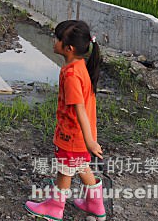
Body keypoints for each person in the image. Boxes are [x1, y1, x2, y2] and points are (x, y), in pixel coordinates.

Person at [25, 20, 105, 220]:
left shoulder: (70, 74)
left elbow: (79, 109)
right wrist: (88, 139)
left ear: (68, 48)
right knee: (80, 166)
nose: (53, 41)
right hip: (80, 136)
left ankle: (54, 208)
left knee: (64, 171)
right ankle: (95, 205)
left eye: (57, 39)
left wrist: (89, 141)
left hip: (72, 136)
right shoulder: (80, 66)